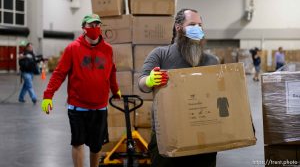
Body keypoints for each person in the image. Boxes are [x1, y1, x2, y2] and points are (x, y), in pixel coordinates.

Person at [138, 9, 219, 167]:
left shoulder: (212, 61)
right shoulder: (160, 54)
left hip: (203, 138)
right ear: (178, 27)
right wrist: (150, 80)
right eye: (192, 24)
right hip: (167, 137)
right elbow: (141, 84)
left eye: (200, 25)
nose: (198, 28)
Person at [41, 14, 121, 167]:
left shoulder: (108, 49)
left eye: (97, 25)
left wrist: (115, 90)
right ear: (84, 28)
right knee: (78, 143)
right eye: (91, 25)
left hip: (100, 107)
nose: (95, 28)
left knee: (96, 145)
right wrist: (48, 95)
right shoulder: (72, 48)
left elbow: (111, 72)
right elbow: (59, 74)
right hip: (78, 106)